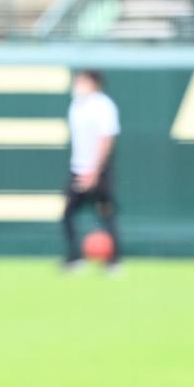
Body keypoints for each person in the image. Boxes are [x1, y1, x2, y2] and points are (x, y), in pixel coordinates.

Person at [62, 69, 122, 271]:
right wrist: (82, 169)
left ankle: (113, 261)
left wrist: (94, 172)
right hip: (78, 168)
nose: (77, 84)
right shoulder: (76, 106)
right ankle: (74, 257)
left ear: (93, 83)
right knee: (68, 213)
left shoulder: (103, 106)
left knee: (106, 212)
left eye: (82, 81)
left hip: (99, 170)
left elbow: (105, 140)